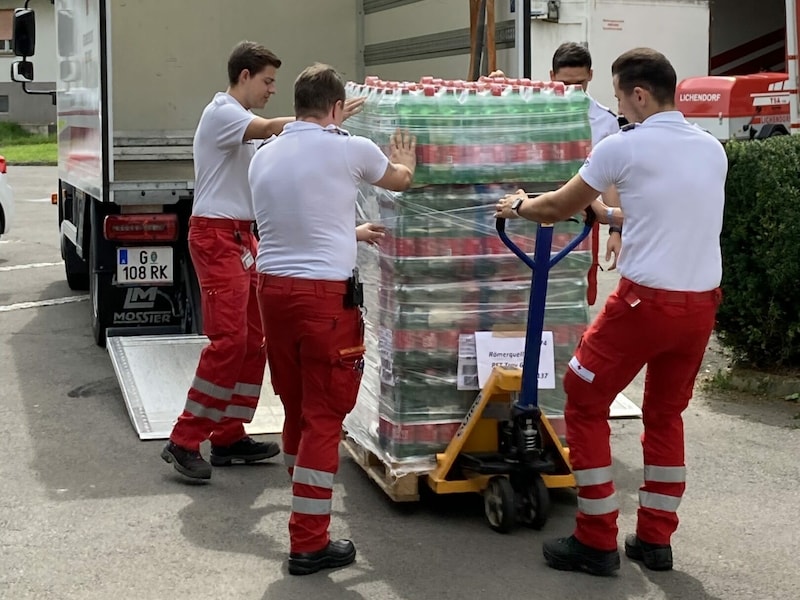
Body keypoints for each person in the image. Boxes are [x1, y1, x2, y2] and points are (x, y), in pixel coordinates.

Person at [494, 47, 726, 576]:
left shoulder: (622, 145)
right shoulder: (712, 148)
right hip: (699, 306)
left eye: (621, 97)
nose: (619, 106)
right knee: (665, 415)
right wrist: (612, 213)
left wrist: (519, 206)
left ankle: (596, 538)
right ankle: (654, 540)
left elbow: (555, 207)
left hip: (644, 303)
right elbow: (667, 208)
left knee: (583, 396)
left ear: (638, 94)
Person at [160, 41, 365, 481]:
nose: (272, 89)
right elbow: (273, 126)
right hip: (217, 236)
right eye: (268, 81)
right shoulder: (223, 113)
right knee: (230, 340)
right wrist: (319, 122)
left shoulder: (244, 127)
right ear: (245, 76)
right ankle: (184, 438)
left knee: (255, 340)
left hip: (241, 236)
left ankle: (229, 435)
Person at [249, 63, 416, 575]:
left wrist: (350, 232)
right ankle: (308, 542)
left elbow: (307, 212)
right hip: (324, 301)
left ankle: (303, 502)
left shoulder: (264, 155)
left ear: (298, 105)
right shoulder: (351, 149)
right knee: (325, 416)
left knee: (298, 405)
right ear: (338, 108)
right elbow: (399, 183)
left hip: (273, 293)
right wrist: (403, 160)